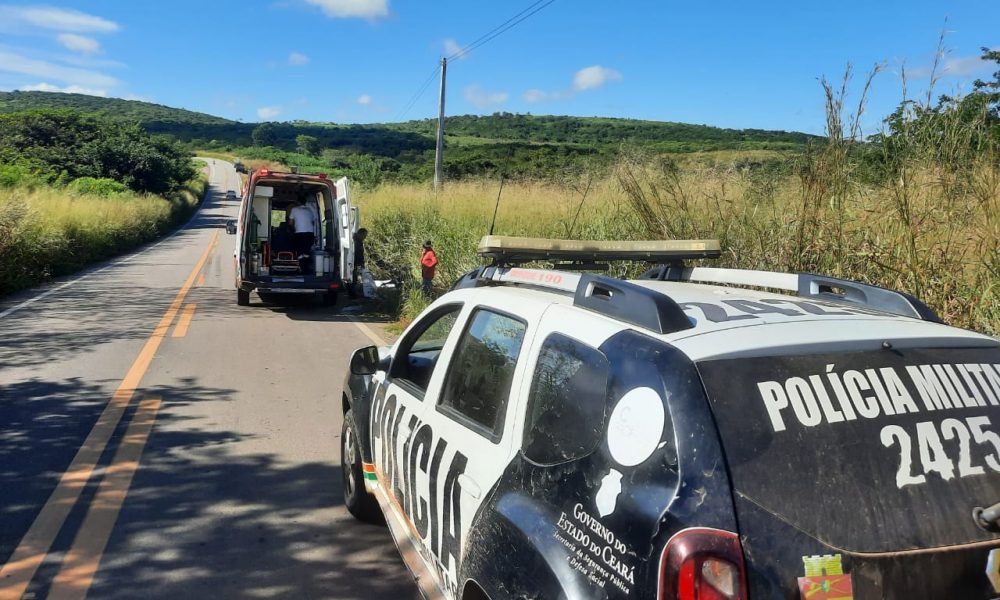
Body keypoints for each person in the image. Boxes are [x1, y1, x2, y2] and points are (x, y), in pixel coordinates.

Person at [288, 200, 316, 271]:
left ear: (298, 202)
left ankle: (301, 268)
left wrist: (292, 229)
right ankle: (306, 268)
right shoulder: (310, 210)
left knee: (300, 251)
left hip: (299, 233)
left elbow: (290, 223)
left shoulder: (294, 209)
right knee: (306, 251)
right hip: (310, 233)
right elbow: (313, 222)